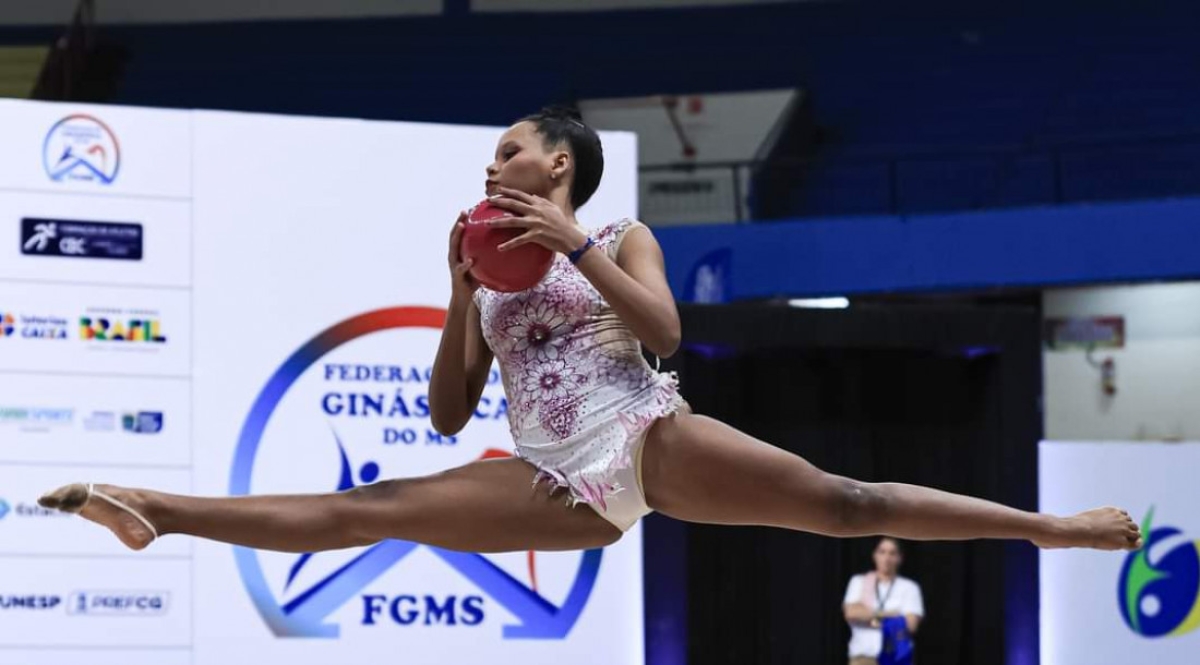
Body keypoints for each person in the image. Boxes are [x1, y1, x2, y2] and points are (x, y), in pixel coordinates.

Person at [40, 107, 1142, 564]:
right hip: (552, 478)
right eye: (492, 159)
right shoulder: (482, 276)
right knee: (370, 509)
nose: (492, 166)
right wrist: (452, 291)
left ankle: (1055, 529)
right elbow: (446, 411)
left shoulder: (617, 229)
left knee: (843, 504)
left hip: (645, 430)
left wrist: (573, 246)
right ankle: (156, 511)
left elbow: (666, 335)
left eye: (510, 152)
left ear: (558, 163)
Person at [843, 538, 923, 665]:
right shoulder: (860, 581)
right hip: (863, 659)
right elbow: (852, 613)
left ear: (899, 558)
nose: (887, 558)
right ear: (875, 555)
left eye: (892, 553)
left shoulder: (909, 587)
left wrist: (870, 617)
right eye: (882, 552)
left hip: (897, 658)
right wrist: (892, 614)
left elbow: (910, 624)